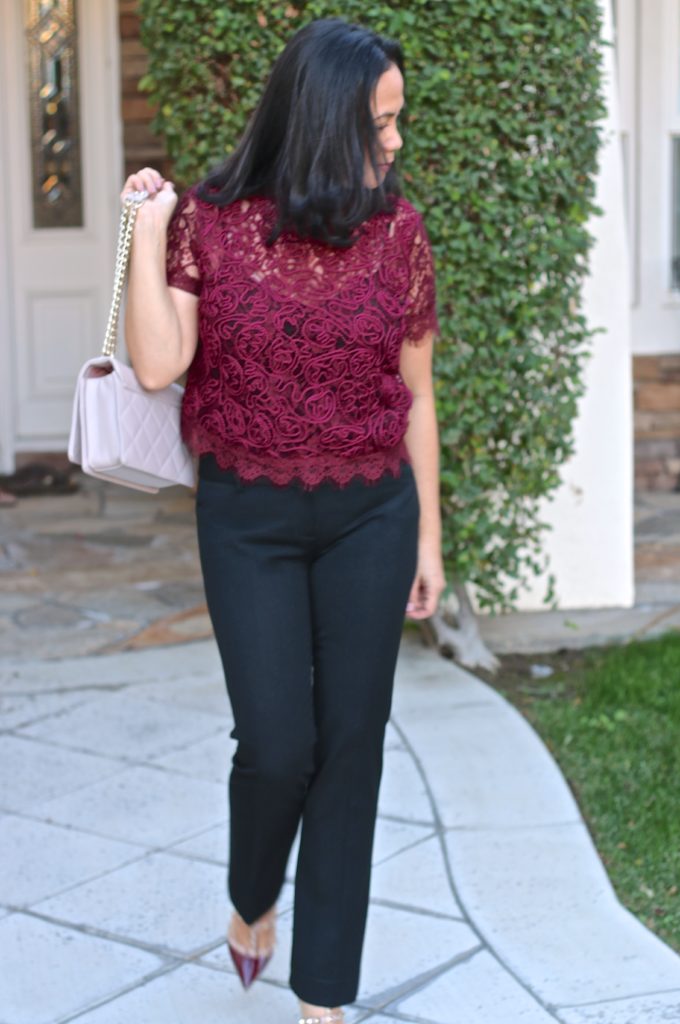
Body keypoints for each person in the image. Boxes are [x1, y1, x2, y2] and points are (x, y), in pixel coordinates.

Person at [122, 17, 445, 1024]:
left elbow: (417, 396)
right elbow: (157, 366)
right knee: (275, 744)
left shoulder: (398, 234)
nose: (393, 141)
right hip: (247, 515)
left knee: (352, 742)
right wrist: (141, 230)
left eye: (397, 119)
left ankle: (324, 997)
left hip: (370, 514)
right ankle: (251, 895)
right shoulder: (209, 222)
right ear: (320, 117)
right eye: (378, 121)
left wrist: (428, 536)